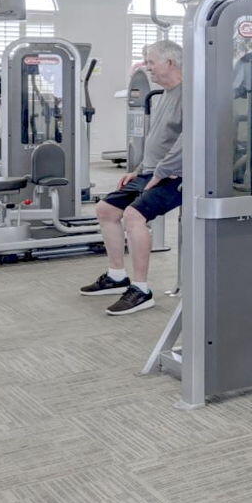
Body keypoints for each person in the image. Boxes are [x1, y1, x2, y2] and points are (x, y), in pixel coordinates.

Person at [80, 40, 184, 316]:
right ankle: (117, 276)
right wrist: (137, 170)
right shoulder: (165, 94)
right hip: (151, 172)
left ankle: (141, 289)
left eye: (151, 62)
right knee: (105, 209)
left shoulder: (191, 95)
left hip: (177, 176)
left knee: (133, 216)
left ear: (170, 63)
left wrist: (160, 172)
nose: (147, 68)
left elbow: (187, 142)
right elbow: (157, 141)